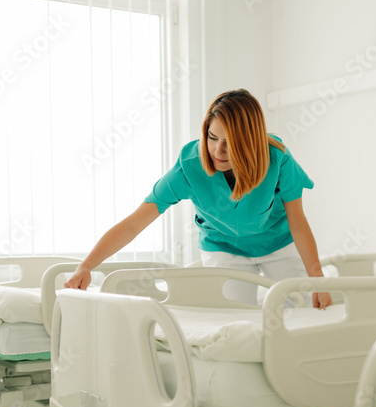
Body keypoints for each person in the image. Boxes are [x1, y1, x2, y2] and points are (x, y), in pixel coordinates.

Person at [65, 89, 332, 309]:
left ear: (251, 142)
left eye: (231, 142)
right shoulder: (189, 167)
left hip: (277, 243)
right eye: (212, 138)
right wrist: (86, 266)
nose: (218, 150)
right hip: (224, 249)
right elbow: (134, 224)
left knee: (306, 308)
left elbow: (298, 223)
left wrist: (317, 279)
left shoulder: (277, 159)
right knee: (236, 315)